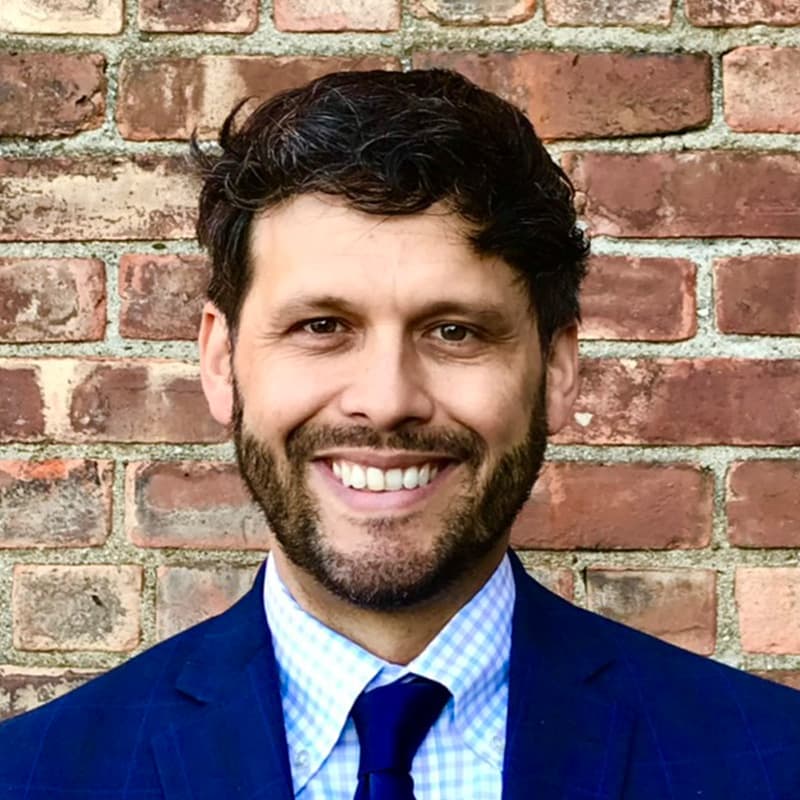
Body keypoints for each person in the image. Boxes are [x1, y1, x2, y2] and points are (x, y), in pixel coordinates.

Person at [1, 68, 799, 800]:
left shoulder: (769, 760)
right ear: (220, 360)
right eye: (321, 325)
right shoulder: (40, 775)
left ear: (556, 370)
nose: (386, 402)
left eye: (454, 331)